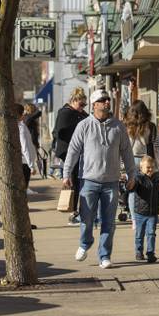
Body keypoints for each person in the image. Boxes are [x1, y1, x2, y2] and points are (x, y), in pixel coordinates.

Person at [63, 89, 136, 269]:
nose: (106, 102)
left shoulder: (118, 127)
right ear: (94, 105)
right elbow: (73, 150)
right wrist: (66, 174)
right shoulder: (84, 125)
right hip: (89, 180)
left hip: (111, 181)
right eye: (102, 100)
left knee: (109, 222)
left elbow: (127, 152)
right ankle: (85, 243)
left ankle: (104, 255)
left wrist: (132, 174)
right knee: (86, 219)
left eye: (108, 100)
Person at [123, 100, 159, 223]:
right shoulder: (151, 126)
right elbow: (158, 144)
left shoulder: (126, 126)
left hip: (131, 160)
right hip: (147, 161)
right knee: (148, 189)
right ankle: (147, 214)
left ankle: (134, 219)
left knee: (133, 190)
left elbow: (122, 145)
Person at [53, 88, 88, 223]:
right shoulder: (66, 113)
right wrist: (72, 142)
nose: (82, 107)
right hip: (69, 151)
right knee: (74, 182)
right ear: (73, 101)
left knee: (78, 181)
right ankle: (74, 212)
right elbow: (58, 132)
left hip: (78, 151)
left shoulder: (78, 113)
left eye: (84, 105)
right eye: (81, 104)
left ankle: (77, 211)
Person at [130, 155, 159, 263]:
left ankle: (150, 253)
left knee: (151, 233)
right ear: (141, 167)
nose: (150, 169)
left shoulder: (157, 179)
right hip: (140, 212)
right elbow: (131, 188)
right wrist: (129, 184)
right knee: (139, 234)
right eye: (148, 167)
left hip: (153, 213)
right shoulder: (138, 178)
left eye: (152, 167)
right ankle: (139, 251)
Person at [17, 103, 38, 230]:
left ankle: (22, 222)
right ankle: (24, 223)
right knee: (22, 196)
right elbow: (25, 147)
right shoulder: (21, 127)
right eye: (23, 113)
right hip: (24, 163)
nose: (25, 115)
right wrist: (31, 165)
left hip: (22, 163)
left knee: (21, 195)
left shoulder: (17, 126)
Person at [23, 103, 45, 178]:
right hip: (30, 143)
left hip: (33, 142)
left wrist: (37, 143)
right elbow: (39, 113)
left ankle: (27, 184)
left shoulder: (29, 118)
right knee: (29, 162)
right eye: (34, 109)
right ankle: (26, 186)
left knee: (31, 161)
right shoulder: (27, 118)